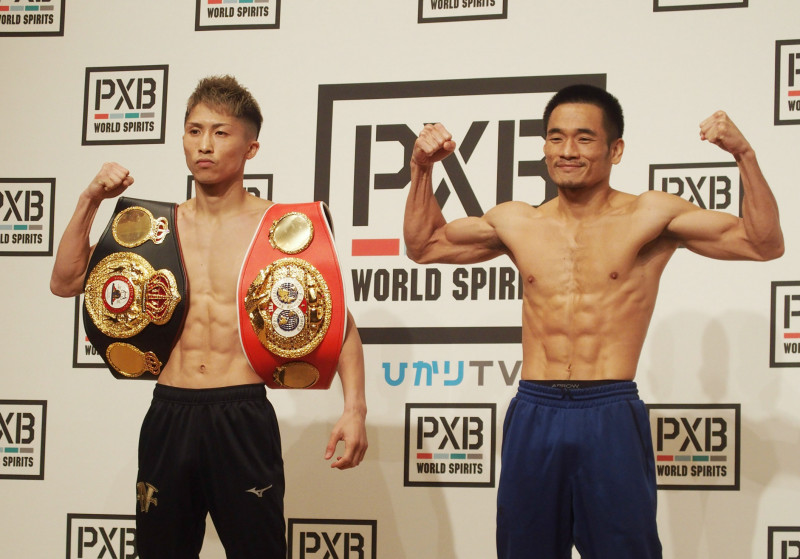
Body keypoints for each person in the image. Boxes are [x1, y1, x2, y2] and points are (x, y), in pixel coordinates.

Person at [403, 84, 783, 559]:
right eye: (556, 137)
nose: (567, 151)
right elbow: (424, 245)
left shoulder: (650, 215)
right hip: (535, 409)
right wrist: (421, 168)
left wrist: (744, 155)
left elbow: (762, 243)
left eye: (584, 138)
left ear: (615, 149)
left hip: (609, 412)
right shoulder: (518, 221)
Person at [50, 75, 368, 558]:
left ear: (251, 147)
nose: (204, 145)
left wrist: (355, 409)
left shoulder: (278, 229)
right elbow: (66, 280)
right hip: (169, 413)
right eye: (194, 131)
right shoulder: (153, 228)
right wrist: (90, 199)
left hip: (241, 415)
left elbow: (338, 323)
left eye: (221, 133)